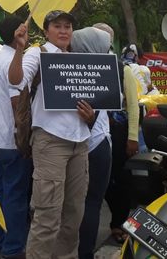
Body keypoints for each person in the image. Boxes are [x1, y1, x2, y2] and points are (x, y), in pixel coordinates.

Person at [8, 10, 95, 259]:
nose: (64, 31)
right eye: (58, 26)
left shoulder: (77, 59)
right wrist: (19, 48)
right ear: (46, 31)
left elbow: (94, 101)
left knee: (73, 216)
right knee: (47, 216)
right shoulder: (38, 53)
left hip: (80, 142)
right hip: (50, 142)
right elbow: (15, 79)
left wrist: (91, 116)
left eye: (68, 26)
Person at [0, 15, 32, 259]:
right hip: (13, 137)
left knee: (1, 191)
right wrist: (26, 134)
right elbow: (17, 102)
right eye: (24, 28)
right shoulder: (15, 61)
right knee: (15, 195)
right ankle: (13, 248)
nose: (28, 31)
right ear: (16, 33)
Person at [72, 27, 114, 259]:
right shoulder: (102, 71)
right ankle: (84, 252)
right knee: (92, 203)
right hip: (96, 144)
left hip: (72, 143)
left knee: (73, 203)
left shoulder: (66, 69)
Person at [95, 26, 140, 244]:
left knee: (119, 180)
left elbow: (133, 105)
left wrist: (132, 137)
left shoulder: (123, 69)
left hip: (118, 133)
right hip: (91, 134)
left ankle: (119, 222)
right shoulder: (80, 64)